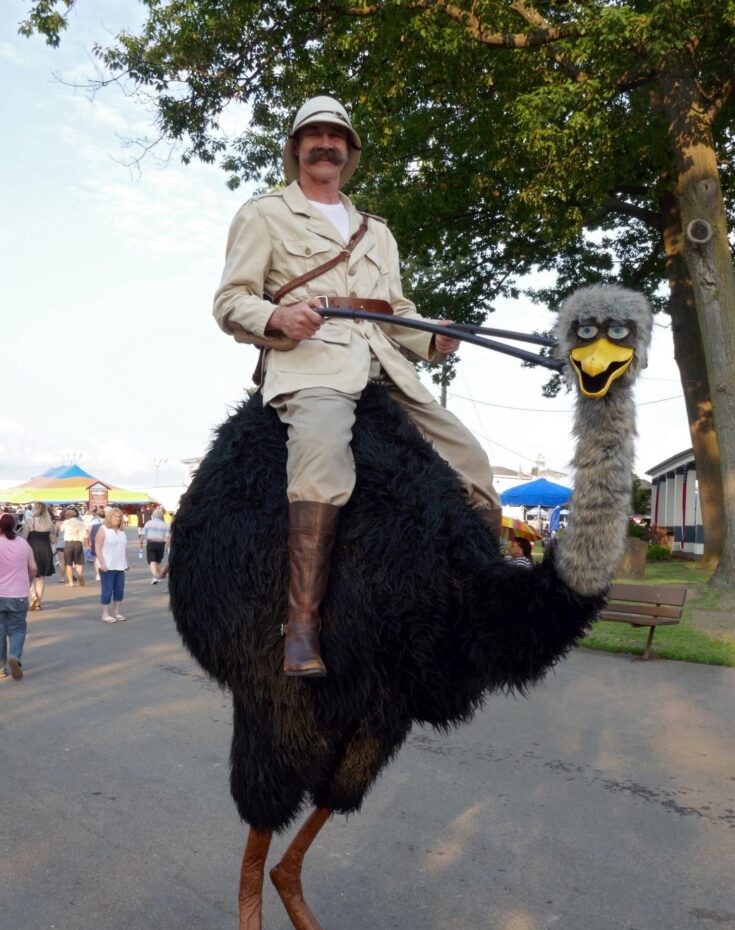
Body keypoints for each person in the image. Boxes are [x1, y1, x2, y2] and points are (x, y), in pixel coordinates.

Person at [213, 95, 500, 677]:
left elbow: (397, 310)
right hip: (311, 363)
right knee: (320, 457)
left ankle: (481, 603)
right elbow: (230, 300)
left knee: (471, 460)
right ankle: (301, 627)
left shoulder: (378, 232)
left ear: (351, 151)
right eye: (313, 134)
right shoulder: (263, 213)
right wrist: (277, 319)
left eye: (337, 136)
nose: (327, 143)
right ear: (296, 148)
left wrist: (433, 338)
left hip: (386, 364)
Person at [0, 511, 37, 680]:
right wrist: (28, 582)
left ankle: (1, 666)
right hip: (19, 594)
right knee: (18, 630)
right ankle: (14, 655)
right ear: (15, 526)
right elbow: (33, 567)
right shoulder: (23, 544)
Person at [94, 507, 130, 622]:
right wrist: (102, 563)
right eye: (115, 516)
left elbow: (122, 548)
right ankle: (105, 614)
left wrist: (126, 562)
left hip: (120, 565)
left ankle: (116, 612)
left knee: (119, 590)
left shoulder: (121, 532)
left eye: (119, 517)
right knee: (107, 590)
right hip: (107, 566)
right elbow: (97, 548)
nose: (117, 519)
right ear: (110, 517)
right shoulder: (103, 529)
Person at [22, 502, 56, 609]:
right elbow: (53, 540)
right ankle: (38, 603)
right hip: (45, 551)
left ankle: (33, 595)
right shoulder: (49, 523)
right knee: (40, 577)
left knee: (29, 575)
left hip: (32, 550)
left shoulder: (29, 521)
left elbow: (23, 539)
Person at [58, 507, 87, 587]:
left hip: (68, 543)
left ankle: (71, 582)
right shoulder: (80, 523)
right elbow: (85, 535)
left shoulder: (66, 522)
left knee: (68, 564)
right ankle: (80, 574)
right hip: (78, 543)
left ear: (67, 515)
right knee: (79, 562)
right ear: (74, 515)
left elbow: (61, 529)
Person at [142, 507, 171, 583]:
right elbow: (168, 537)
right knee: (158, 561)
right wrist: (168, 546)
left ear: (153, 515)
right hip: (161, 544)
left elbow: (143, 534)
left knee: (152, 561)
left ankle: (155, 575)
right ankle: (157, 577)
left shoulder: (148, 523)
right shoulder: (164, 524)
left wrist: (141, 543)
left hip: (151, 543)